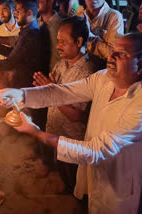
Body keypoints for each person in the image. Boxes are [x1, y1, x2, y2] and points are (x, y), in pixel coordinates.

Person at [0, 33, 142, 214]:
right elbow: (63, 93)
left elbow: (95, 151)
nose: (112, 57)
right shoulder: (104, 78)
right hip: (93, 172)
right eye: (113, 51)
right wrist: (21, 95)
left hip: (117, 183)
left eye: (122, 54)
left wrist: (37, 133)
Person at [32, 16, 96, 188]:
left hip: (72, 139)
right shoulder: (61, 65)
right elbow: (52, 94)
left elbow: (76, 115)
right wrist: (45, 89)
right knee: (64, 173)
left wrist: (52, 91)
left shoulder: (87, 72)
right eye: (58, 41)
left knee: (75, 180)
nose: (58, 46)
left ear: (79, 41)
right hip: (56, 132)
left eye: (63, 41)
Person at [0, 0, 49, 88]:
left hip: (25, 85)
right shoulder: (28, 30)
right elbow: (15, 53)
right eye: (15, 10)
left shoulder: (30, 34)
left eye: (18, 11)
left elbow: (8, 63)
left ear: (28, 13)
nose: (15, 14)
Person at [38, 0, 62, 72]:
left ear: (51, 1)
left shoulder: (62, 25)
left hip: (57, 76)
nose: (37, 3)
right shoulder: (34, 24)